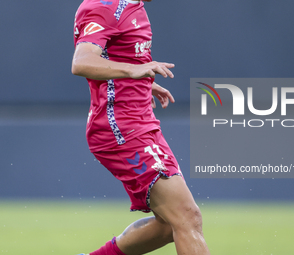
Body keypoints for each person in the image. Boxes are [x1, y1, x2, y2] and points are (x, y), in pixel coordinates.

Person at [72, 0, 210, 254]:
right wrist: (135, 71)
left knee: (172, 224)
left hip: (141, 123)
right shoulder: (104, 7)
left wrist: (143, 83)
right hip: (120, 128)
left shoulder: (133, 5)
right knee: (187, 216)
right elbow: (82, 62)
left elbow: (119, 56)